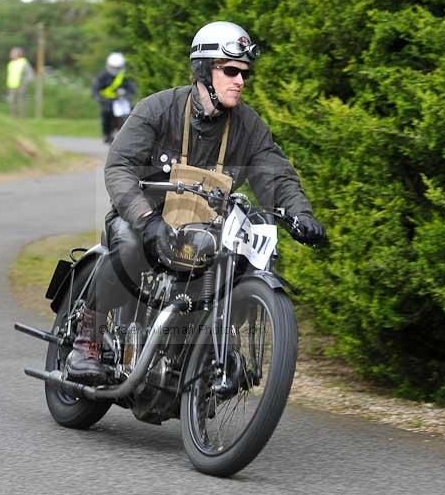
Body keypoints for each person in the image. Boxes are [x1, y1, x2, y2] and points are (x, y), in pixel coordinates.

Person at [66, 21, 327, 385]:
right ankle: (87, 341)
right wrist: (147, 220)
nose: (240, 80)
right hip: (144, 217)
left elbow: (275, 174)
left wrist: (301, 215)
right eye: (231, 71)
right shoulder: (157, 109)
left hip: (205, 231)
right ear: (204, 70)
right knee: (128, 244)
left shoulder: (249, 127)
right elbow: (119, 168)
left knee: (239, 268)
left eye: (244, 74)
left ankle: (207, 353)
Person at [92, 52, 137, 144]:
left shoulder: (126, 77)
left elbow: (132, 89)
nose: (115, 70)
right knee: (105, 113)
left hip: (122, 102)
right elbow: (95, 90)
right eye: (113, 67)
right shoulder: (103, 76)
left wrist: (126, 94)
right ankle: (107, 134)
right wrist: (100, 99)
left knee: (133, 114)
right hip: (108, 102)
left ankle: (131, 135)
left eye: (117, 68)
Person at [6, 47, 34, 118]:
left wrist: (25, 84)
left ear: (18, 54)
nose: (10, 54)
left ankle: (22, 117)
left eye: (12, 53)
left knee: (21, 102)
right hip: (12, 85)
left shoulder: (24, 62)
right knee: (12, 101)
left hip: (21, 86)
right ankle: (13, 117)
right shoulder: (11, 63)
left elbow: (30, 74)